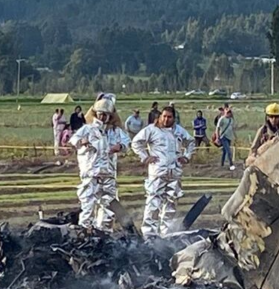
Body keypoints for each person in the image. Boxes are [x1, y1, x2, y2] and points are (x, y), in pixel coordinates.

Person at [69, 94, 130, 231]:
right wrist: (82, 142)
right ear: (96, 114)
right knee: (87, 204)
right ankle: (85, 232)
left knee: (109, 206)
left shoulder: (115, 132)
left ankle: (104, 233)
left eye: (105, 115)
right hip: (91, 173)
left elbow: (127, 142)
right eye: (100, 114)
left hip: (108, 174)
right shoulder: (87, 129)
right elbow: (74, 141)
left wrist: (120, 147)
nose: (102, 117)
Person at [131, 105, 194, 238]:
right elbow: (136, 142)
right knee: (153, 203)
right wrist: (145, 156)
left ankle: (167, 234)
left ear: (173, 118)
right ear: (160, 117)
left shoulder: (179, 131)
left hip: (174, 172)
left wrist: (186, 157)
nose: (166, 119)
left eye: (169, 117)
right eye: (164, 116)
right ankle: (150, 233)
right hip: (157, 172)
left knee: (171, 203)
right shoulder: (152, 129)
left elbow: (190, 142)